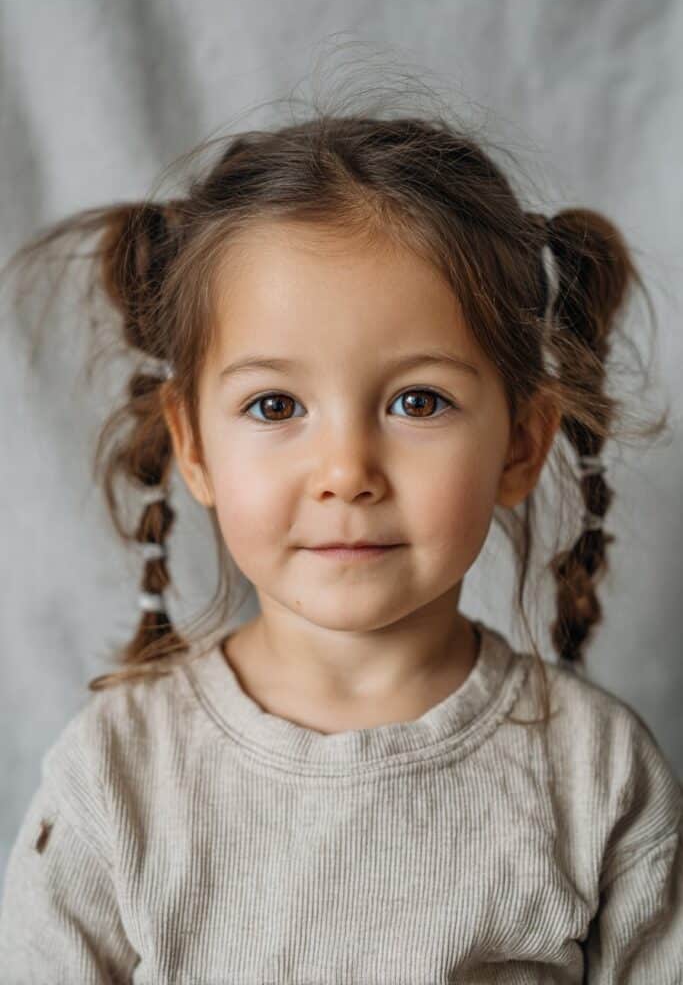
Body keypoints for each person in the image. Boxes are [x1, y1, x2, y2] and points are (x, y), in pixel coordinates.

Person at [0, 103, 680, 984]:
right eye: (275, 406)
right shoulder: (117, 773)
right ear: (195, 446)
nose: (346, 471)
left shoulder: (597, 776)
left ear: (520, 443)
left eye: (417, 401)